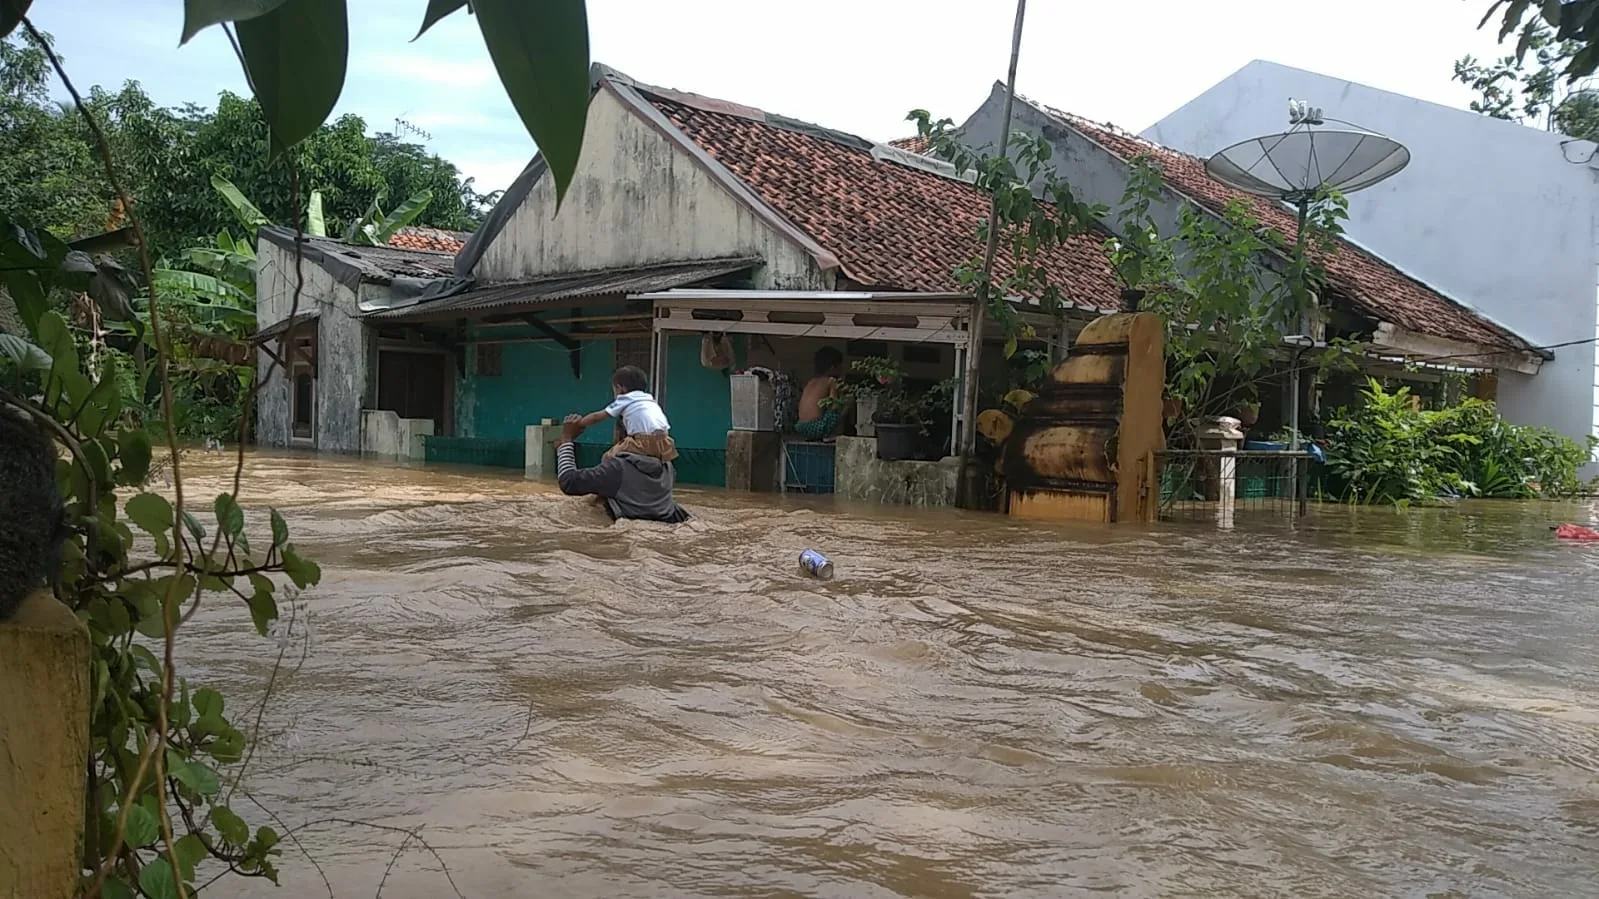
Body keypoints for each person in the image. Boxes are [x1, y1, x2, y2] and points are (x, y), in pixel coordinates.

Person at [554, 414, 690, 523]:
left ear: (621, 434)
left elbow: (568, 481)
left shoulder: (616, 469)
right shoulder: (667, 467)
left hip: (626, 530)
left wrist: (567, 440)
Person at [572, 365, 677, 462]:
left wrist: (579, 423)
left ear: (619, 388)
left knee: (608, 458)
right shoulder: (649, 399)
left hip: (643, 441)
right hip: (665, 441)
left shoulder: (625, 399)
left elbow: (597, 417)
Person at [794, 347, 844, 440]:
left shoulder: (811, 381)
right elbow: (834, 405)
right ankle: (830, 435)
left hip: (800, 427)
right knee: (844, 403)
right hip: (816, 428)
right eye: (840, 366)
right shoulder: (831, 381)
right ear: (833, 367)